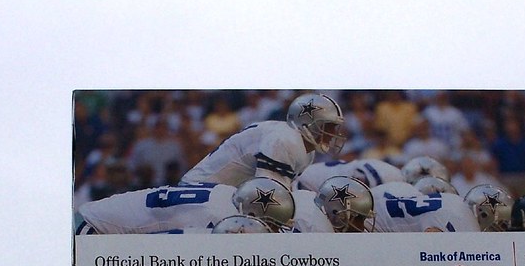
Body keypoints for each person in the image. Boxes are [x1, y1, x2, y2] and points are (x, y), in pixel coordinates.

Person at [180, 93, 347, 188]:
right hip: (199, 191)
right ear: (307, 122)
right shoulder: (285, 140)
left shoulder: (302, 147)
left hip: (219, 193)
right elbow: (268, 193)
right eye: (329, 126)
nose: (333, 133)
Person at [75, 177, 294, 234]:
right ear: (252, 214)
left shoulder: (228, 193)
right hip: (95, 230)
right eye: (273, 225)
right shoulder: (217, 218)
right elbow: (159, 249)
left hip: (103, 223)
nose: (274, 231)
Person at [370, 181, 478, 232]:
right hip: (373, 223)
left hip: (373, 208)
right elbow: (428, 243)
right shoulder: (460, 217)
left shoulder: (454, 202)